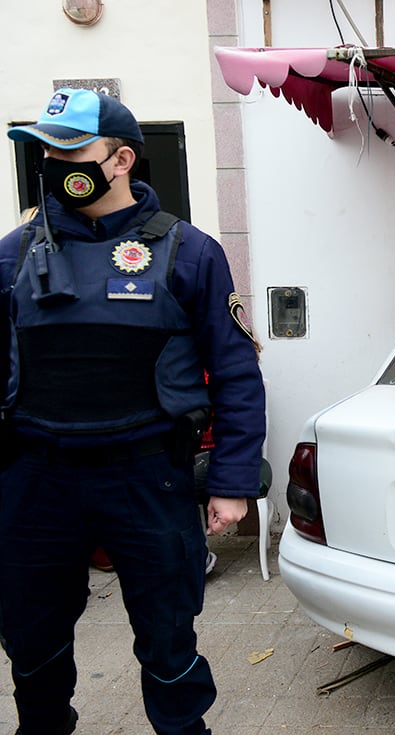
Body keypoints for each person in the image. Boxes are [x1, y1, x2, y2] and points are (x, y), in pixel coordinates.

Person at [0, 89, 266, 735]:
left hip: (148, 477)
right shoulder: (12, 254)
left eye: (71, 150)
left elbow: (234, 372)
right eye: (47, 150)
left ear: (121, 159)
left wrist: (231, 482)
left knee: (169, 638)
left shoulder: (189, 251)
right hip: (36, 478)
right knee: (32, 643)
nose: (56, 162)